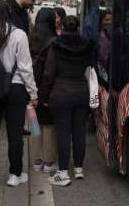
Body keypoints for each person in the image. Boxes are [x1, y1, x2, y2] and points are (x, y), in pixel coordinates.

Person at [0, 0, 38, 187]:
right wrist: (33, 92)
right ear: (8, 13)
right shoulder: (18, 34)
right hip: (15, 87)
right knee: (15, 132)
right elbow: (25, 67)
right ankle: (15, 174)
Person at [40, 15, 96, 186]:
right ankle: (79, 168)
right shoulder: (86, 45)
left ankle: (63, 171)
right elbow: (90, 67)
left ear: (62, 27)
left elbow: (49, 73)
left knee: (63, 132)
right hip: (81, 91)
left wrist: (44, 96)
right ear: (77, 27)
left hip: (60, 92)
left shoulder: (56, 46)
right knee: (79, 131)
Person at [28, 8, 60, 173]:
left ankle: (37, 161)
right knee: (49, 126)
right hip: (47, 88)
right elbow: (49, 72)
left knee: (34, 124)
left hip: (30, 88)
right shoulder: (54, 42)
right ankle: (48, 162)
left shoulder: (30, 38)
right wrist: (46, 94)